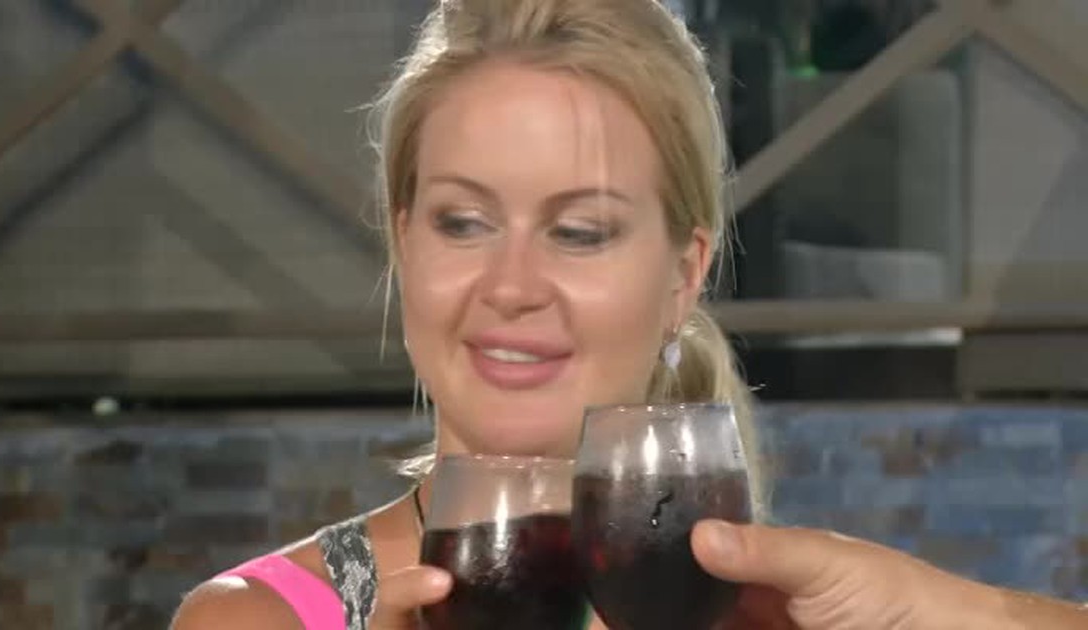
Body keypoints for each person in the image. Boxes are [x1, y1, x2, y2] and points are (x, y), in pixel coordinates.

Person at [171, 1, 1088, 628]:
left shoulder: (796, 616)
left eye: (579, 232)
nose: (512, 285)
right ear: (403, 241)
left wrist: (969, 613)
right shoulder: (260, 620)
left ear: (683, 277)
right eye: (463, 222)